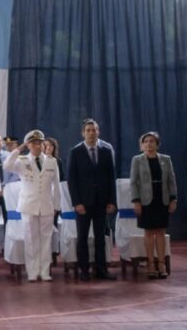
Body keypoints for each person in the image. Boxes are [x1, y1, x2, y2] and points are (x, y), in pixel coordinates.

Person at [3, 130, 61, 282]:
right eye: (34, 143)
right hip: (28, 205)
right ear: (28, 145)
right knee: (31, 240)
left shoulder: (51, 161)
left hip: (47, 205)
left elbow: (57, 186)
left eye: (40, 142)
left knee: (46, 240)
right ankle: (33, 271)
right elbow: (6, 166)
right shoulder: (22, 161)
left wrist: (57, 206)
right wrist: (18, 149)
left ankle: (44, 270)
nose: (38, 145)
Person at [67, 118, 117, 281]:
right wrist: (77, 203)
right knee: (82, 237)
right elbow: (72, 180)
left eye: (94, 130)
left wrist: (111, 201)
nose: (91, 133)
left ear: (98, 132)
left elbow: (111, 177)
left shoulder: (106, 151)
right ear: (83, 133)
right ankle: (84, 270)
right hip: (83, 203)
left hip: (102, 202)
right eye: (88, 130)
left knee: (100, 238)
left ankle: (101, 270)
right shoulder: (75, 151)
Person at [129, 131, 177, 279]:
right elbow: (133, 182)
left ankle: (161, 264)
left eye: (152, 141)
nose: (149, 144)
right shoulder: (137, 160)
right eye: (146, 142)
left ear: (157, 144)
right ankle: (151, 264)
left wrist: (173, 199)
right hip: (145, 201)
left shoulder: (166, 159)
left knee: (161, 232)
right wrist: (136, 201)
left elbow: (171, 180)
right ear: (142, 145)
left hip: (162, 199)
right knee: (149, 233)